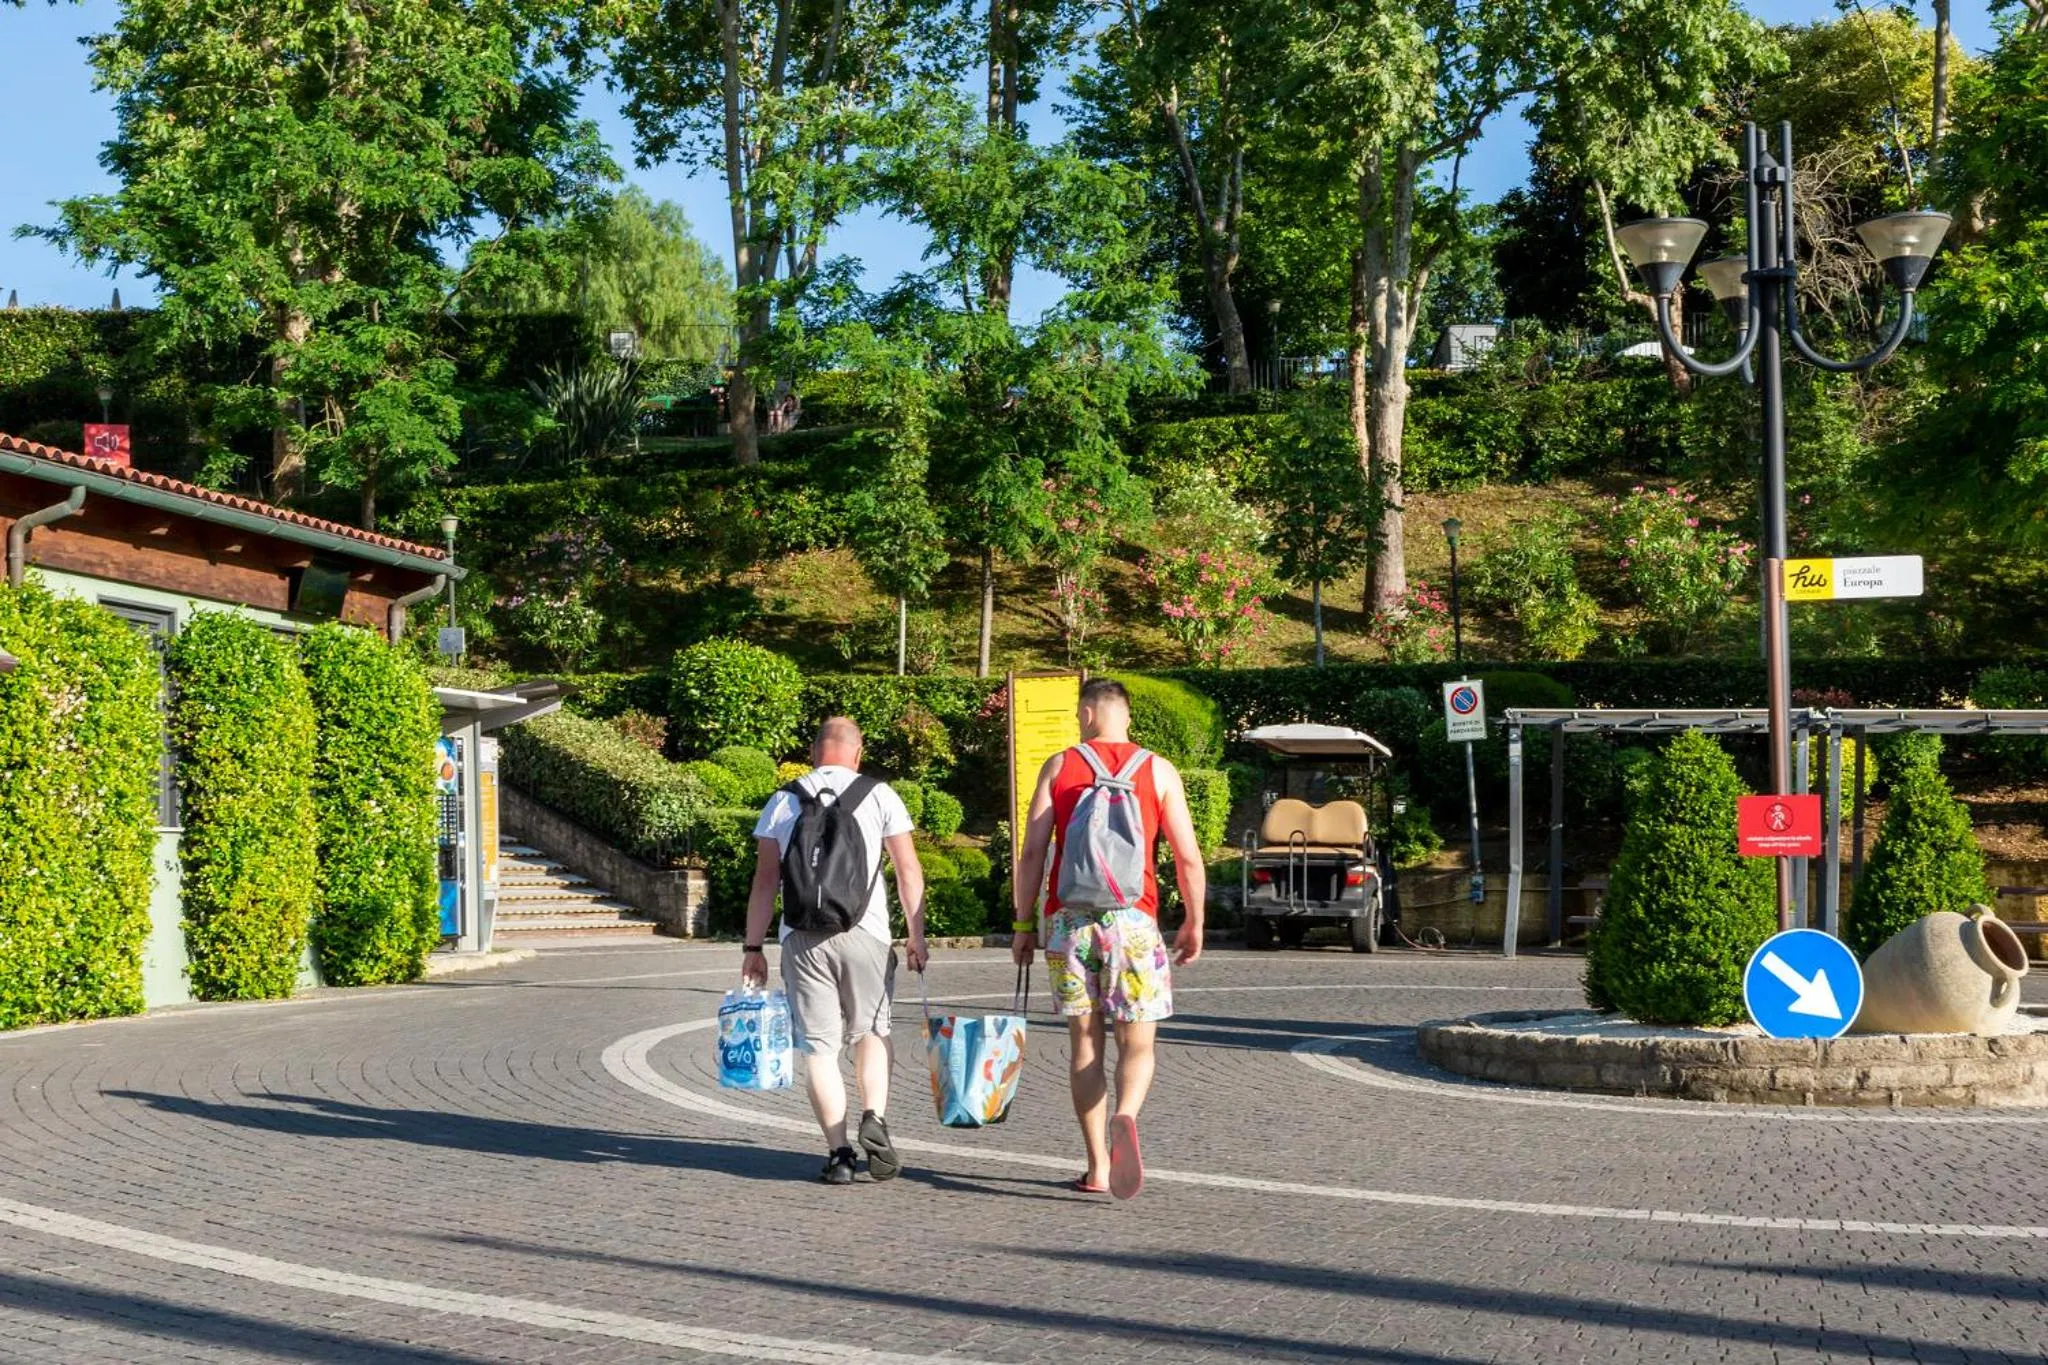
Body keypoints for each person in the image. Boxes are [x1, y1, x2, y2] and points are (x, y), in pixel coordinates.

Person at [1012, 678, 1204, 1200]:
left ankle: (1097, 1166)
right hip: (1134, 922)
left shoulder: (1060, 765)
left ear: (1089, 713)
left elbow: (1032, 853)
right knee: (1137, 1043)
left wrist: (1024, 924)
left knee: (1085, 1044)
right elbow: (1187, 857)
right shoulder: (1158, 769)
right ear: (1127, 716)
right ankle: (1127, 1114)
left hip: (1070, 924)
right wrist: (1194, 920)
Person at [743, 717, 927, 1185]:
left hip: (802, 936)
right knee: (871, 1031)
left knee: (820, 1050)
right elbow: (908, 872)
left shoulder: (783, 800)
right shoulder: (880, 794)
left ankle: (839, 1154)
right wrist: (916, 935)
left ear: (812, 750)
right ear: (858, 752)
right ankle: (875, 1116)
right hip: (867, 933)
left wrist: (753, 947)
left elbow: (765, 882)